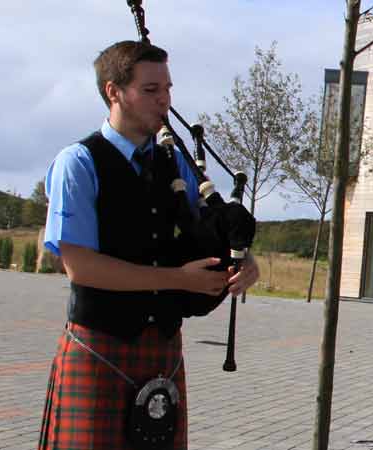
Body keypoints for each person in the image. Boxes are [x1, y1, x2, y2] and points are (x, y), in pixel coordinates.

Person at [36, 40, 259, 450]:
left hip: (162, 347)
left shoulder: (174, 163)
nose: (165, 101)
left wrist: (244, 260)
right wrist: (179, 279)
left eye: (168, 89)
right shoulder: (79, 163)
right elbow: (80, 267)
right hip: (99, 344)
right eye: (151, 90)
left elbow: (209, 226)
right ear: (114, 91)